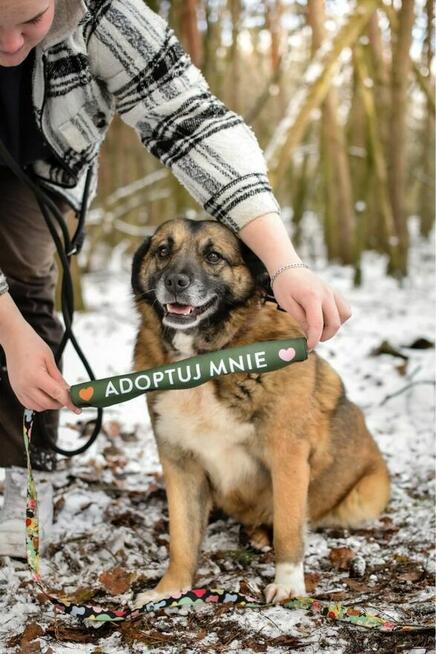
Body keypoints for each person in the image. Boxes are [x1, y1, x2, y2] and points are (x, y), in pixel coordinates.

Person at [0, 0, 351, 557]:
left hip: (39, 172)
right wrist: (6, 331)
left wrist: (284, 264)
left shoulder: (106, 15)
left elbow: (192, 120)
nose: (12, 47)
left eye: (30, 22)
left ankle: (24, 471)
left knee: (27, 285)